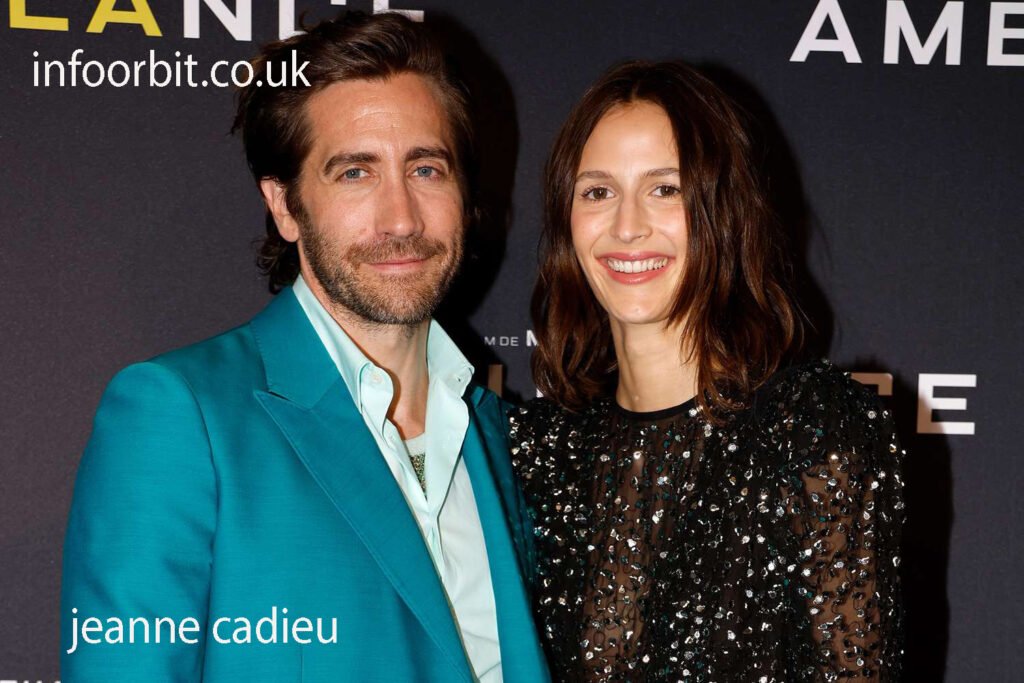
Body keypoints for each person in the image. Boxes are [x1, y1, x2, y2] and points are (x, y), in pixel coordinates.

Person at [61, 12, 548, 682]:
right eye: (355, 173)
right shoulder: (180, 417)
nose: (401, 218)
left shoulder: (494, 431)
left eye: (426, 168)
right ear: (285, 206)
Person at [510, 60, 905, 681]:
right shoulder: (536, 451)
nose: (627, 226)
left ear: (724, 211)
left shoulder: (811, 430)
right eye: (598, 192)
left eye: (665, 189)